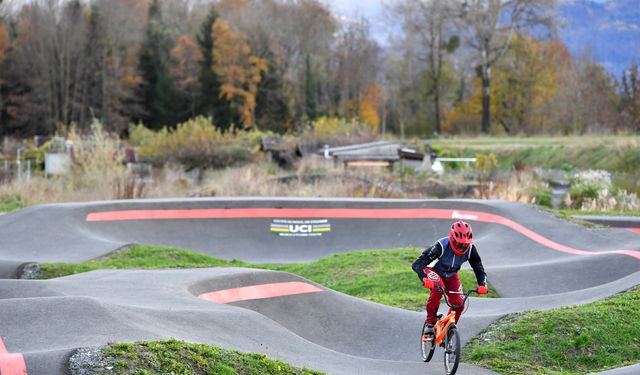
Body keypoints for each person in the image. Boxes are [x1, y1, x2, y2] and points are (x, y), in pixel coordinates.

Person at [412, 220, 488, 333]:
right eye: (459, 244)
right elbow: (417, 264)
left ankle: (448, 331)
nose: (462, 248)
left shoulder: (471, 250)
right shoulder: (441, 246)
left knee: (459, 304)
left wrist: (482, 284)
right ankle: (430, 323)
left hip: (451, 275)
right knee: (438, 288)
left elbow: (478, 268)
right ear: (452, 239)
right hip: (434, 270)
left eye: (465, 245)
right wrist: (424, 278)